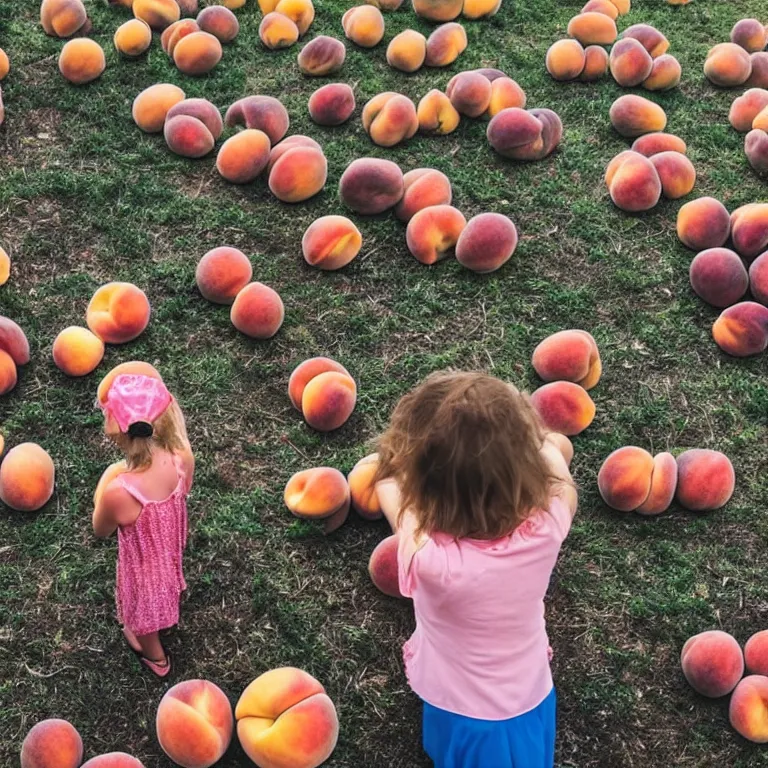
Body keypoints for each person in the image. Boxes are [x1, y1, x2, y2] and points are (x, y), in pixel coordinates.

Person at [373, 370, 577, 768]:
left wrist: (391, 465)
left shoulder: (431, 559)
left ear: (424, 489)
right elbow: (562, 481)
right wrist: (543, 446)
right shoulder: (549, 525)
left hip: (460, 704)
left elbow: (390, 494)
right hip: (529, 691)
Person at [92, 373, 194, 678]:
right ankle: (165, 611)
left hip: (143, 568)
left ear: (119, 434)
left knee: (143, 617)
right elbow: (184, 489)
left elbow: (101, 529)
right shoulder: (180, 458)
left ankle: (157, 659)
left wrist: (108, 478)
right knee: (163, 592)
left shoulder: (120, 493)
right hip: (168, 551)